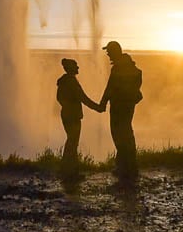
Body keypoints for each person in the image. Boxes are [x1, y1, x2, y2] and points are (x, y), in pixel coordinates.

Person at [98, 40, 142, 178]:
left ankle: (124, 166)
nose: (108, 54)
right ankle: (129, 165)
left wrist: (103, 103)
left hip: (119, 106)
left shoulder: (118, 68)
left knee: (118, 134)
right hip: (128, 105)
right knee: (127, 133)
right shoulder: (130, 65)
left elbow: (110, 87)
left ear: (115, 51)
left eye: (109, 51)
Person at [56, 58, 102, 167]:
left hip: (68, 114)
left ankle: (70, 167)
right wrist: (97, 107)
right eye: (76, 66)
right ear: (71, 68)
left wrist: (66, 106)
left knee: (72, 140)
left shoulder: (65, 81)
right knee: (73, 141)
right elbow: (83, 98)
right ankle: (69, 169)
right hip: (72, 116)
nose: (78, 67)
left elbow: (59, 98)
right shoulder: (71, 82)